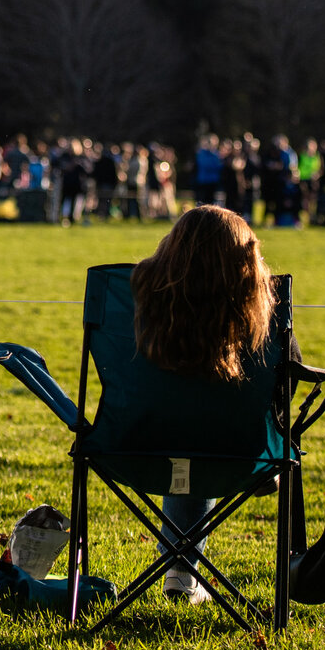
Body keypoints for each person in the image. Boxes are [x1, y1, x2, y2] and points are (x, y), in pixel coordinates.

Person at [128, 204, 279, 605]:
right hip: (237, 452)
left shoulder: (134, 294)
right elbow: (285, 380)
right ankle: (182, 571)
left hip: (134, 443)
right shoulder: (260, 305)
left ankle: (181, 572)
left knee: (185, 431)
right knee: (201, 431)